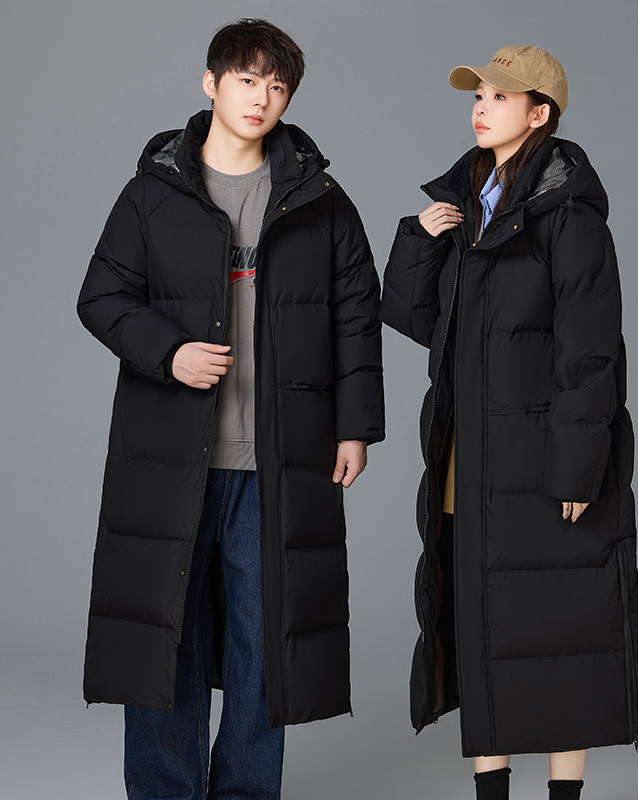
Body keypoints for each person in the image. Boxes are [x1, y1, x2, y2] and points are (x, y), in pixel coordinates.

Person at [76, 18, 385, 800]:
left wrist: (355, 427)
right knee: (166, 643)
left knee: (266, 645)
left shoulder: (320, 202)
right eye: (248, 80)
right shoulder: (152, 195)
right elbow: (102, 296)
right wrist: (168, 352)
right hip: (170, 460)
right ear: (211, 83)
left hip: (280, 463)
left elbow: (356, 317)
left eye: (278, 86)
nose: (262, 98)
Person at [378, 45, 638, 800]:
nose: (481, 108)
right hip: (471, 460)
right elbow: (421, 324)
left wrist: (579, 468)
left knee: (561, 636)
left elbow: (589, 352)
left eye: (500, 96)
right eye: (478, 95)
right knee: (480, 633)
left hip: (547, 462)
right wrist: (419, 239)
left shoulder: (571, 216)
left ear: (540, 114)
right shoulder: (467, 208)